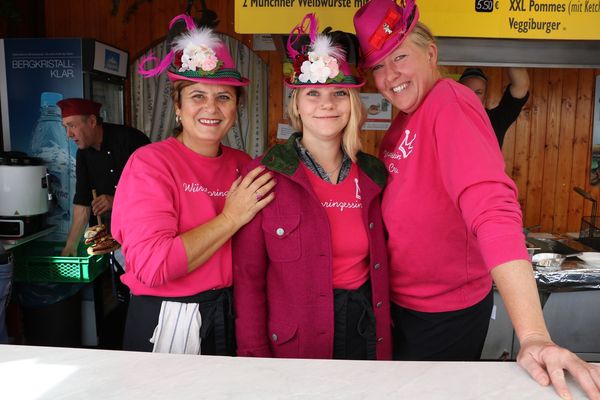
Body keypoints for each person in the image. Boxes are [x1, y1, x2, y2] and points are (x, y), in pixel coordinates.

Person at [353, 0, 600, 398]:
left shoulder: (450, 102)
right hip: (399, 306)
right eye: (378, 66)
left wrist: (534, 335)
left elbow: (492, 206)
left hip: (443, 313)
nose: (389, 75)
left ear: (430, 52)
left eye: (399, 56)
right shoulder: (402, 121)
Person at [111, 14, 275, 355]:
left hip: (232, 313)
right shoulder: (151, 164)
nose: (211, 108)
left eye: (224, 97)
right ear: (178, 106)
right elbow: (153, 267)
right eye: (197, 96)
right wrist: (230, 218)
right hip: (170, 316)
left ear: (236, 108)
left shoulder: (243, 164)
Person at [233, 13, 392, 360]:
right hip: (297, 340)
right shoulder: (264, 174)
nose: (326, 104)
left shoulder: (374, 175)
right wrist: (253, 356)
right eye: (313, 93)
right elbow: (247, 278)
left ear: (353, 104)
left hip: (366, 332)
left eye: (339, 93)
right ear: (297, 105)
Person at [58, 99, 150, 257]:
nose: (68, 134)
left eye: (72, 126)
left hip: (142, 235)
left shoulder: (131, 140)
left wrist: (115, 201)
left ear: (92, 121)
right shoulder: (83, 154)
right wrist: (70, 246)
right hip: (106, 238)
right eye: (66, 127)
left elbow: (155, 191)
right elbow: (83, 203)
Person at [459, 67, 530, 147]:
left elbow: (521, 86)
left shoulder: (496, 119)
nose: (472, 96)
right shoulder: (447, 117)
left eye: (478, 92)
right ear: (458, 93)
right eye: (467, 91)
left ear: (485, 95)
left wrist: (511, 57)